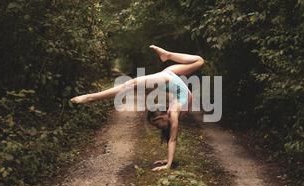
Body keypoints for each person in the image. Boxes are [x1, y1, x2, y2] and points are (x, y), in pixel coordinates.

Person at [70, 45, 204, 171]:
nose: (157, 127)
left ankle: (167, 55)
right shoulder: (173, 113)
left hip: (170, 78)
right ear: (160, 116)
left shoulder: (173, 112)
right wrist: (168, 163)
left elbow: (172, 139)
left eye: (156, 125)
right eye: (156, 125)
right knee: (131, 84)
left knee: (199, 61)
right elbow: (172, 139)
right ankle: (90, 98)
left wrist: (168, 163)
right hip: (170, 79)